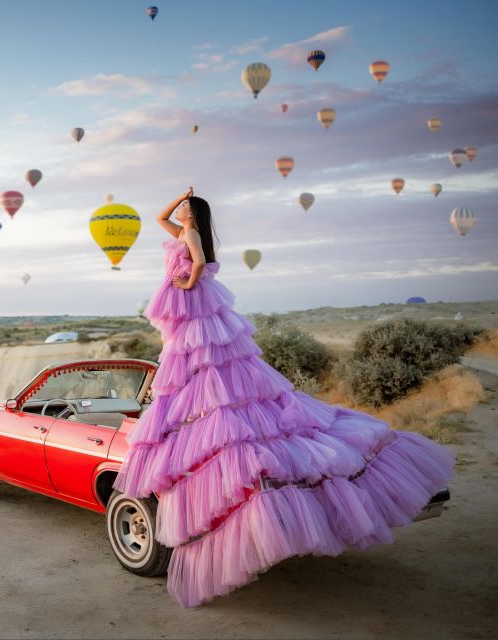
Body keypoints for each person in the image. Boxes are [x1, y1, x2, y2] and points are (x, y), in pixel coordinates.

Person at [113, 187, 455, 607]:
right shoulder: (181, 228)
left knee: (206, 362)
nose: (180, 211)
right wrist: (179, 200)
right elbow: (159, 218)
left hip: (194, 304)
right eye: (181, 208)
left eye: (186, 207)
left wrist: (187, 282)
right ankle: (204, 411)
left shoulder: (193, 235)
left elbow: (199, 262)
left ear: (195, 214)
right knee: (196, 362)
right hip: (191, 307)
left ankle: (215, 415)